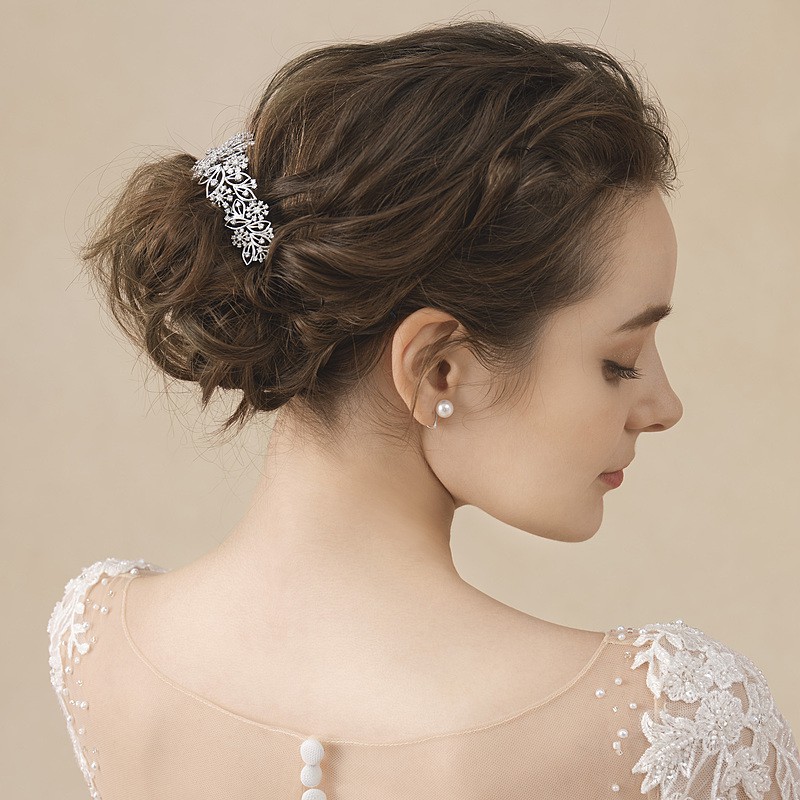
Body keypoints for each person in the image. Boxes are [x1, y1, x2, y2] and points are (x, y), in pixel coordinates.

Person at [47, 19, 799, 800]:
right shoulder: (671, 728)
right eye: (620, 361)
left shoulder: (101, 642)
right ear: (439, 368)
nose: (663, 406)